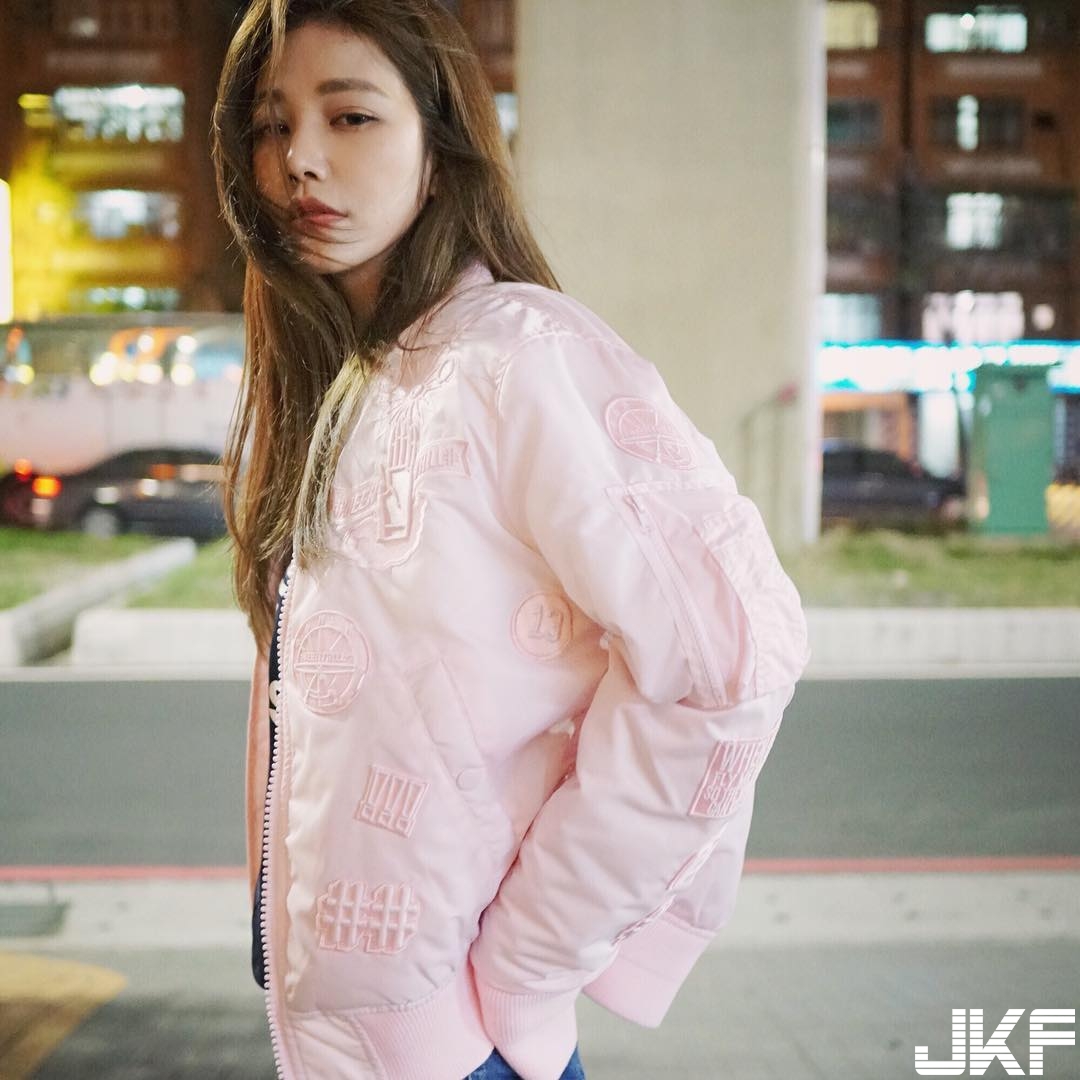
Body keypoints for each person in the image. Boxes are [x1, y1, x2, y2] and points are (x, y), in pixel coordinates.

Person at [212, 1, 810, 1077]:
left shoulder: (519, 359)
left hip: (462, 1043)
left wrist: (531, 965)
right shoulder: (344, 384)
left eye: (350, 117)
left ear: (440, 152)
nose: (299, 157)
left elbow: (729, 657)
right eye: (272, 124)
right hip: (351, 1039)